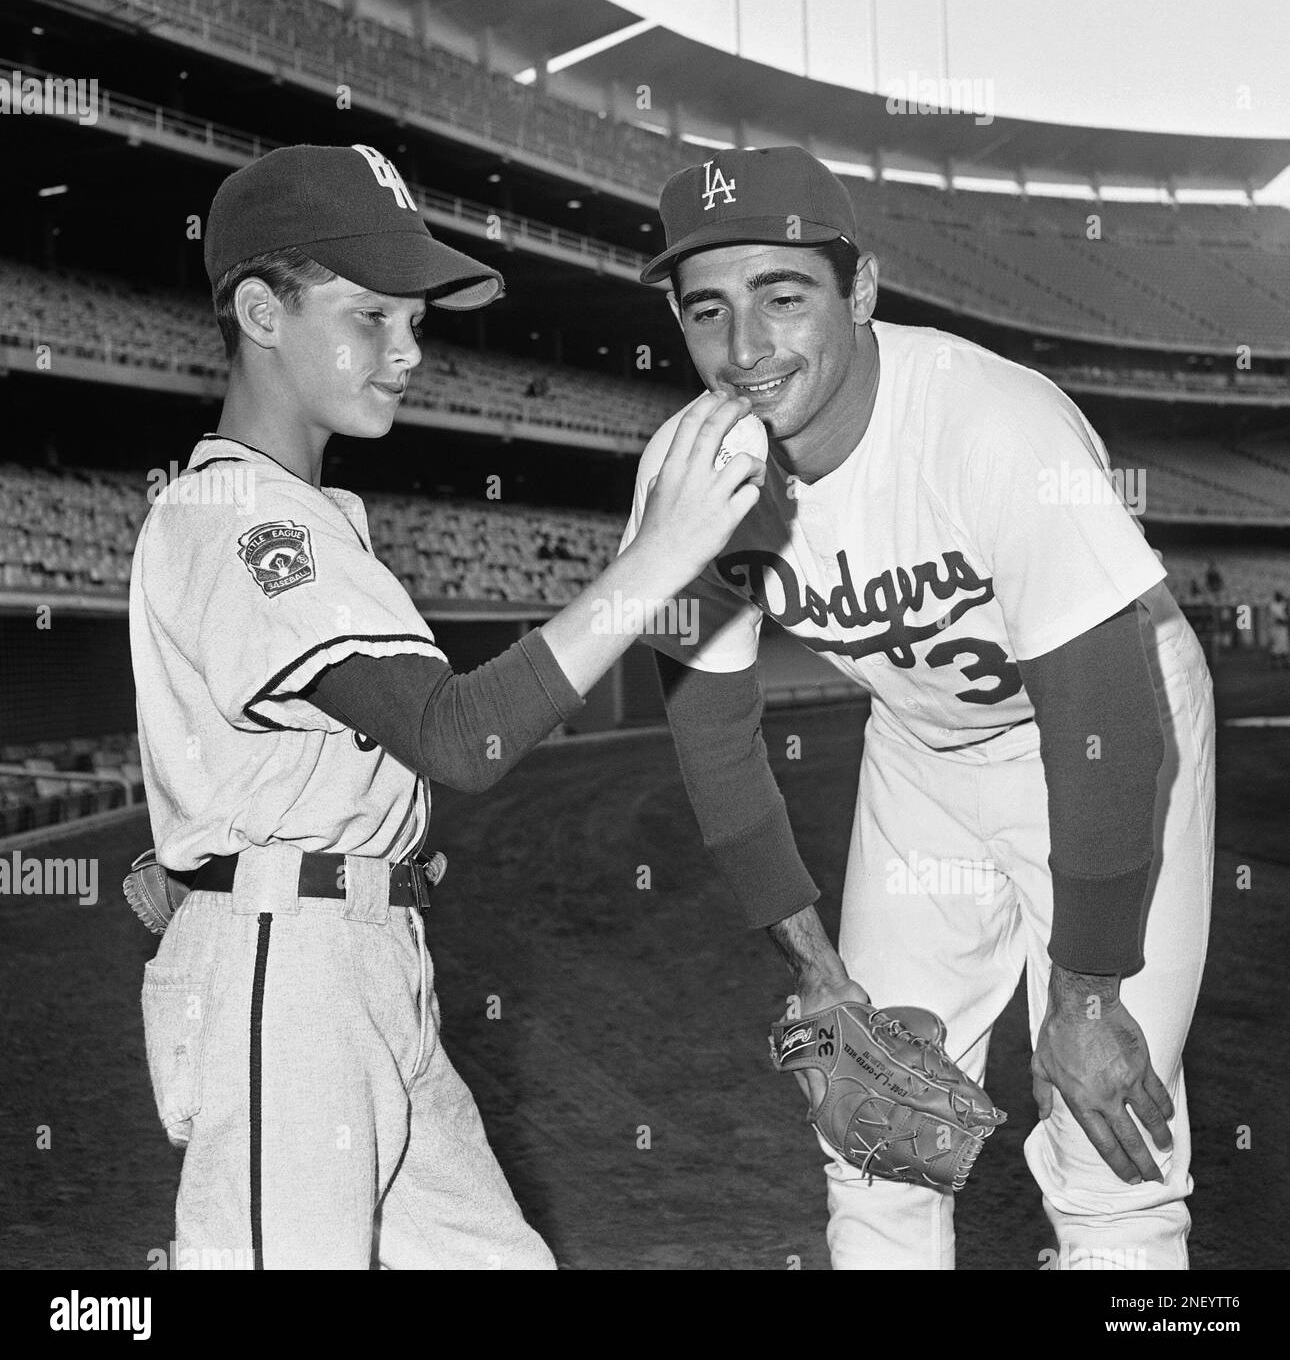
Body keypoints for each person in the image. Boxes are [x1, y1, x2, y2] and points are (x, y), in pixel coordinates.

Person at [129, 143, 763, 1270]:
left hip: (361, 956)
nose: (410, 349)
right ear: (263, 312)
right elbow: (455, 736)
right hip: (295, 974)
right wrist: (660, 556)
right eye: (372, 314)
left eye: (416, 319)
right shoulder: (238, 513)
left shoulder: (297, 509)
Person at [620, 146, 1215, 1271]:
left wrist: (1084, 994)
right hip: (924, 749)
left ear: (861, 291)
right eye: (708, 311)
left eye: (782, 296)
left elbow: (1104, 719)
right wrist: (811, 959)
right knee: (873, 1129)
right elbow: (711, 726)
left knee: (1108, 1140)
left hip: (1110, 727)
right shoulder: (687, 474)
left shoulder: (994, 424)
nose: (744, 350)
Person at [1269, 590, 1289, 669]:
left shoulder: (1282, 603)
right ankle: (1274, 665)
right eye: (1279, 596)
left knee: (1285, 646)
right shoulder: (1273, 606)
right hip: (1276, 628)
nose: (1280, 597)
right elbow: (1279, 620)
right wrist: (1286, 621)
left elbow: (1285, 606)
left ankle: (1285, 664)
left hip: (1283, 628)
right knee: (1276, 646)